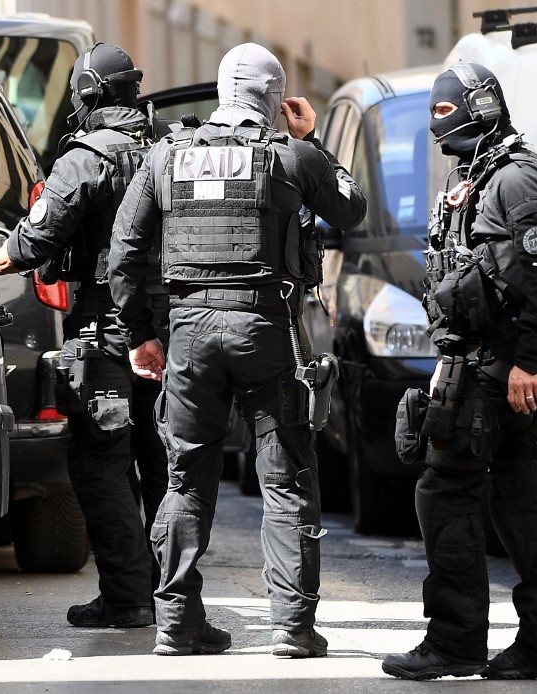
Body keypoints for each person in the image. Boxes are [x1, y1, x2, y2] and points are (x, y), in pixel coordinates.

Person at [108, 42, 366, 658]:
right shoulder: (290, 156)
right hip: (263, 329)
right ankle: (293, 628)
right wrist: (312, 137)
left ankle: (177, 624)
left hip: (189, 334)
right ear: (276, 99)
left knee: (184, 479)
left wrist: (141, 334)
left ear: (223, 92)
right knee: (286, 478)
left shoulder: (165, 156)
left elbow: (123, 254)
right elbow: (350, 208)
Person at [381, 63, 537, 681]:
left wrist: (527, 362)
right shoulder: (481, 175)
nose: (439, 126)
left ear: (481, 107)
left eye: (446, 113)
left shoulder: (515, 181)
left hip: (500, 368)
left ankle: (457, 641)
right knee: (522, 500)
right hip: (481, 362)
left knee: (447, 494)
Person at [0, 42, 156, 629]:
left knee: (101, 461)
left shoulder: (86, 156)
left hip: (108, 328)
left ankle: (129, 598)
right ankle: (176, 596)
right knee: (164, 464)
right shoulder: (167, 149)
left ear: (86, 98)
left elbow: (39, 236)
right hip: (170, 331)